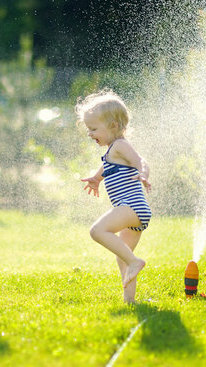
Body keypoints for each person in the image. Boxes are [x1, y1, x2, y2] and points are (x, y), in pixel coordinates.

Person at [76, 89, 152, 303]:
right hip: (135, 211)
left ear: (114, 126)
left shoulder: (120, 145)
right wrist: (95, 179)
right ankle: (130, 300)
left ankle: (136, 262)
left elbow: (141, 161)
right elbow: (105, 168)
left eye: (93, 129)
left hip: (131, 207)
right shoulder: (111, 152)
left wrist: (143, 174)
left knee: (97, 230)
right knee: (122, 257)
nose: (90, 134)